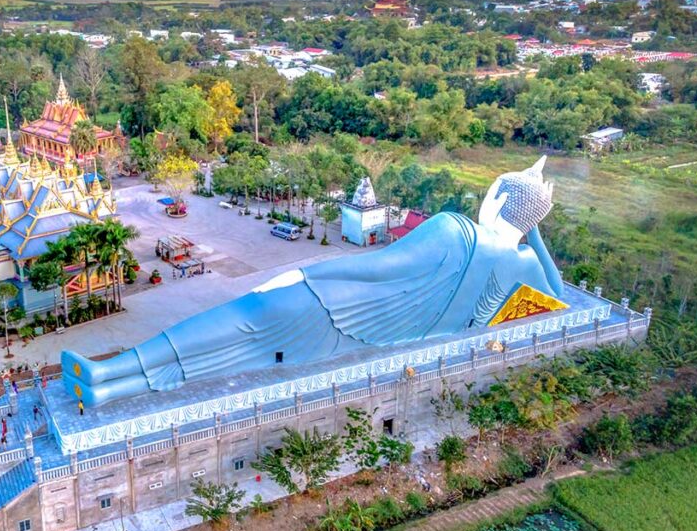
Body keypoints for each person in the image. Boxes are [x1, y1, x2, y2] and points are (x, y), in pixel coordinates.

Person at [64, 158, 564, 408]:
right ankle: (110, 388)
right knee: (233, 356)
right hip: (376, 338)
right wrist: (531, 230)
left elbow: (378, 268)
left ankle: (112, 374)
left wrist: (304, 271)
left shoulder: (455, 229)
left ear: (494, 201)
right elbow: (560, 298)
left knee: (234, 324)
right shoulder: (522, 267)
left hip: (331, 307)